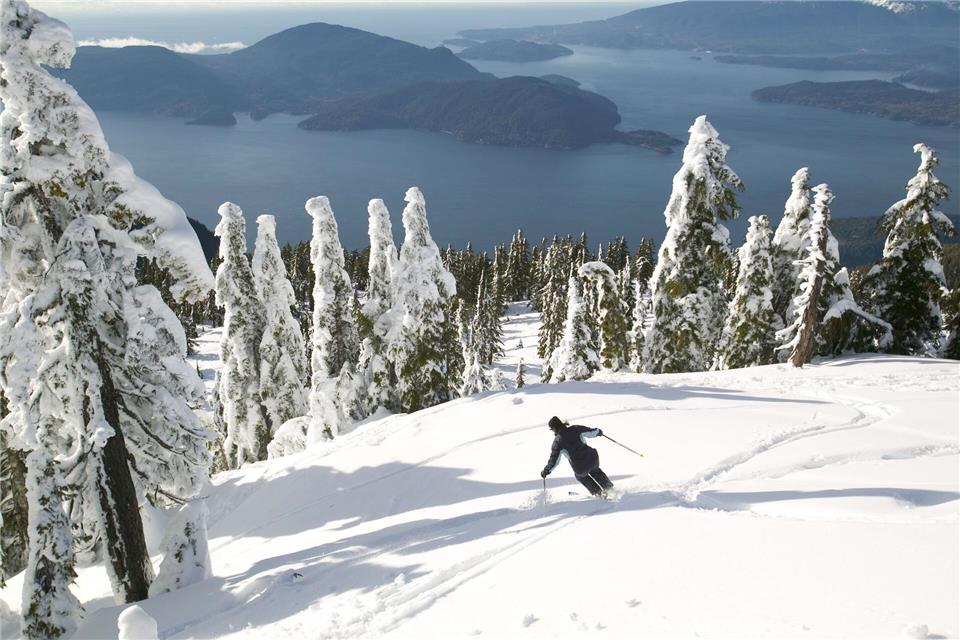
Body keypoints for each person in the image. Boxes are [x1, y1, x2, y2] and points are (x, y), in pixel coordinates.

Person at [540, 416, 614, 496]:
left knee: (580, 476)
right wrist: (598, 432)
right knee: (595, 470)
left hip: (580, 467)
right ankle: (610, 490)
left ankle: (598, 493)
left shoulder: (557, 443)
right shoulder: (575, 428)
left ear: (554, 429)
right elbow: (591, 432)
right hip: (592, 458)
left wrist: (546, 470)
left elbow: (554, 461)